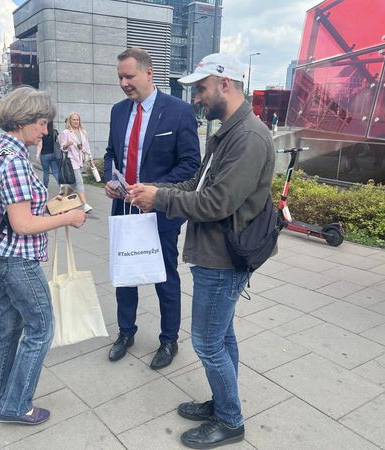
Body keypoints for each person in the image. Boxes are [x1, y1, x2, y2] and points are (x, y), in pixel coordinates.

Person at [128, 53, 275, 448]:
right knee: (222, 337)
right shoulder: (229, 131)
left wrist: (160, 199)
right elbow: (197, 182)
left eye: (201, 88)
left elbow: (216, 203)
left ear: (225, 84)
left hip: (223, 258)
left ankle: (230, 421)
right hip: (215, 253)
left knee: (208, 343)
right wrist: (155, 190)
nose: (196, 98)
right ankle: (223, 403)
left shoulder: (249, 137)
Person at [0, 86, 87, 425]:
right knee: (41, 329)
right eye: (41, 123)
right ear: (22, 121)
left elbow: (15, 211)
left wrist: (50, 205)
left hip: (2, 254)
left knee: (9, 321)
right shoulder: (13, 162)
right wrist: (69, 217)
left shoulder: (0, 152)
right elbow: (22, 224)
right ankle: (15, 405)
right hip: (18, 260)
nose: (45, 131)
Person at [103, 47, 200, 369]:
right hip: (124, 208)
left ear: (148, 73)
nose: (123, 83)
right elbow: (110, 153)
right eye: (120, 77)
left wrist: (153, 190)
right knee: (124, 276)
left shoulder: (179, 111)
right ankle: (125, 333)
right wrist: (110, 178)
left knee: (165, 278)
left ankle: (169, 340)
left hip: (160, 211)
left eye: (129, 76)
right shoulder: (118, 111)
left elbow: (190, 164)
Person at [59, 112, 94, 213]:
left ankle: (63, 203)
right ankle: (85, 204)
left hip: (80, 160)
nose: (75, 121)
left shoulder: (83, 132)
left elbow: (86, 147)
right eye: (73, 119)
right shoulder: (66, 132)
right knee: (79, 182)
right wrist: (67, 144)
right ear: (70, 121)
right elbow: (62, 148)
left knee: (72, 185)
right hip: (71, 160)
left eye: (77, 120)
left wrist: (91, 159)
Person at [36, 120, 59, 188]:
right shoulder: (55, 131)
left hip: (44, 155)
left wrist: (37, 155)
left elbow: (40, 145)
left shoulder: (42, 132)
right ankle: (61, 185)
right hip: (53, 154)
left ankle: (45, 187)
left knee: (46, 172)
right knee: (55, 171)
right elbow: (58, 142)